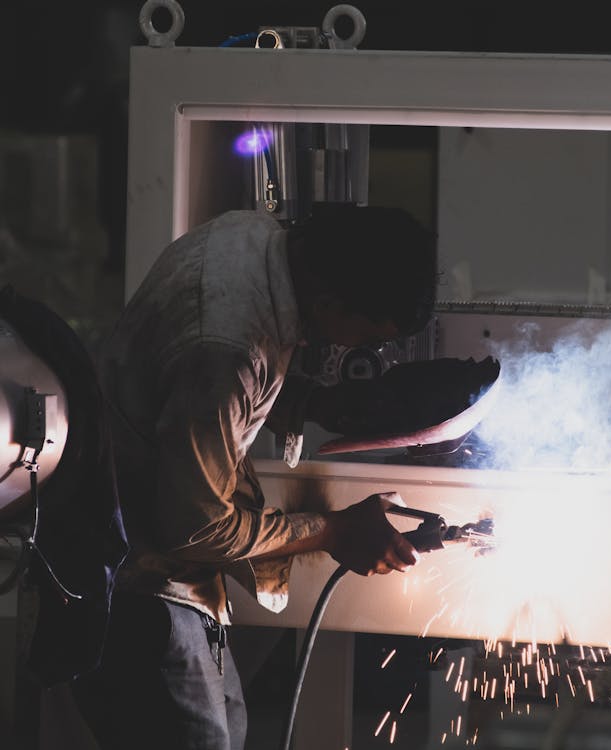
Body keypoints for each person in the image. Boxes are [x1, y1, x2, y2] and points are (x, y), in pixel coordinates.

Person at [70, 203, 444, 750]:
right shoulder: (226, 347)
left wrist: (313, 404)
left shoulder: (253, 236)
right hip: (134, 590)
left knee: (233, 728)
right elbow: (194, 529)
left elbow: (185, 394)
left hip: (165, 578)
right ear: (328, 301)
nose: (354, 351)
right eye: (362, 338)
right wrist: (333, 531)